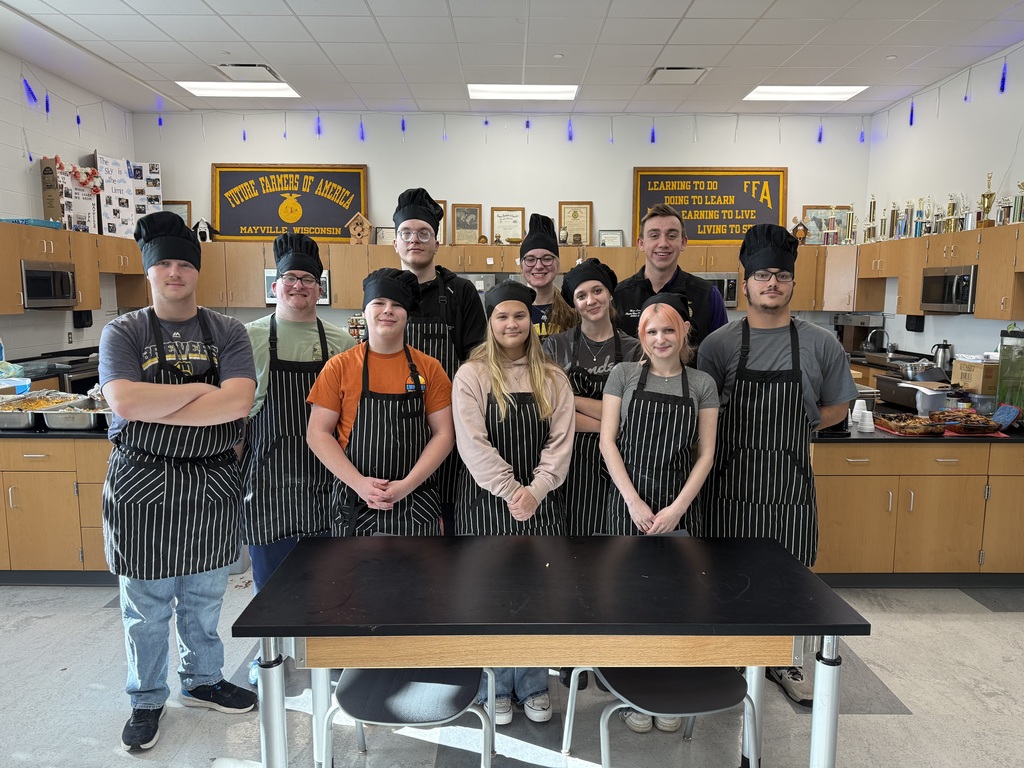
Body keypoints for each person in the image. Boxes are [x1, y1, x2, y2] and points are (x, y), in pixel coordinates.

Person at [99, 211, 258, 752]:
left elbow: (238, 402)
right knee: (145, 607)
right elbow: (125, 401)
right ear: (149, 270)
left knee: (204, 599)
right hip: (142, 483)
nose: (174, 273)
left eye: (184, 264)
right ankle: (146, 699)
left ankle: (203, 681)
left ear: (197, 271)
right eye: (163, 263)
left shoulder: (227, 331)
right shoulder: (123, 331)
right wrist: (202, 393)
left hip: (211, 483)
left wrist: (162, 403)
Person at [696, 223, 858, 707]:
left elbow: (839, 406)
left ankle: (784, 659)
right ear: (745, 283)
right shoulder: (719, 345)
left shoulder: (821, 343)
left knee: (789, 581)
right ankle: (728, 657)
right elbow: (701, 414)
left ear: (792, 283)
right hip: (728, 486)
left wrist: (800, 425)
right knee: (725, 576)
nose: (772, 284)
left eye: (781, 276)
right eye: (763, 275)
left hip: (788, 486)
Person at [452, 281, 574, 726]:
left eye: (519, 315)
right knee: (492, 596)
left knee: (538, 595)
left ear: (531, 320)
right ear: (490, 322)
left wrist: (536, 490)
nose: (511, 323)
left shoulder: (553, 376)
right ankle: (496, 686)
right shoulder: (471, 375)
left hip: (542, 502)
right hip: (485, 502)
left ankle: (534, 685)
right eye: (502, 316)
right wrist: (510, 490)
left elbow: (561, 442)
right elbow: (472, 443)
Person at [240, 232, 355, 683]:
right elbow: (238, 415)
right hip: (269, 475)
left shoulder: (341, 341)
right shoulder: (248, 337)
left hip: (327, 476)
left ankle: (328, 648)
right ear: (275, 285)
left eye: (308, 279)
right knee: (270, 576)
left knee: (329, 572)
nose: (299, 286)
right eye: (290, 278)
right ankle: (270, 656)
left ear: (319, 288)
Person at [306, 268, 454, 536]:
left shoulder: (430, 368)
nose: (388, 310)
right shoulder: (339, 367)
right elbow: (318, 433)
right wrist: (360, 484)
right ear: (364, 311)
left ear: (407, 314)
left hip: (416, 503)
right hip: (355, 502)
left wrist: (406, 485)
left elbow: (444, 434)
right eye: (379, 302)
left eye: (397, 304)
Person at [392, 187, 486, 534]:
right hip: (396, 423)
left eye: (423, 233)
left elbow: (477, 361)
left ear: (436, 243)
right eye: (406, 233)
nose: (414, 240)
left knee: (449, 512)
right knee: (403, 514)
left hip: (451, 421)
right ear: (396, 243)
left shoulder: (459, 292)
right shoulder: (384, 293)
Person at [542, 258, 641, 535]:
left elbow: (633, 413)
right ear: (574, 304)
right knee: (575, 542)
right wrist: (609, 426)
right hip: (569, 460)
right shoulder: (555, 346)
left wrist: (569, 401)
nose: (591, 300)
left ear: (610, 293)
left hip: (621, 459)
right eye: (581, 295)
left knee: (616, 537)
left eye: (597, 291)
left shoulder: (634, 350)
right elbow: (548, 411)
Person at [614, 203, 728, 348]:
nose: (663, 243)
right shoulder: (619, 296)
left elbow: (722, 351)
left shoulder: (708, 295)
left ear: (683, 242)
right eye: (654, 236)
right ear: (641, 243)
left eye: (671, 236)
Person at [519, 213, 579, 339]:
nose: (538, 266)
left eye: (547, 259)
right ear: (522, 265)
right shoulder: (514, 310)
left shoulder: (573, 309)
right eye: (530, 259)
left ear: (557, 263)